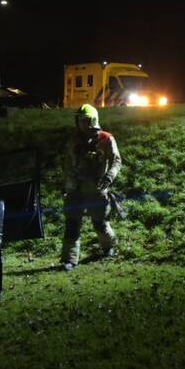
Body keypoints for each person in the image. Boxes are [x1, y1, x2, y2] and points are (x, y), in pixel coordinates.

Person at [60, 104, 121, 271]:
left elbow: (116, 161)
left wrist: (109, 176)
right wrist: (66, 185)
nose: (82, 124)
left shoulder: (106, 139)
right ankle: (70, 259)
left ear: (93, 121)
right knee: (72, 223)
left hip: (96, 188)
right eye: (80, 121)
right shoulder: (74, 140)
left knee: (100, 221)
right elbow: (68, 163)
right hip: (75, 189)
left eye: (85, 120)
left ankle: (109, 247)